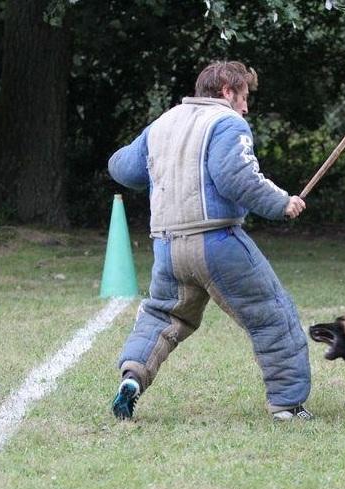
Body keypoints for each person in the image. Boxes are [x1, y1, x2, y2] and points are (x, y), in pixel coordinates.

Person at [107, 61, 312, 421]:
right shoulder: (228, 122)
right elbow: (237, 177)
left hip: (168, 248)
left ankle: (132, 379)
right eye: (244, 96)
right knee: (273, 316)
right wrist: (282, 203)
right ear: (226, 91)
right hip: (217, 241)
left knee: (160, 317)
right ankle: (287, 406)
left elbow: (122, 167)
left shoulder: (163, 124)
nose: (246, 107)